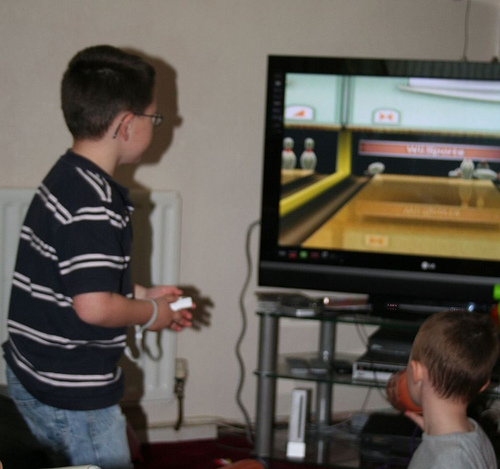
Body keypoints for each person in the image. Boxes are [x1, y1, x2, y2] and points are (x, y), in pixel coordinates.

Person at [2, 45, 193, 469]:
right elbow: (93, 306)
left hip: (35, 372)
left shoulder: (66, 177)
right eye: (154, 117)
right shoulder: (96, 204)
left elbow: (76, 278)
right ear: (126, 125)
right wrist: (150, 313)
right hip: (72, 393)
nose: (157, 125)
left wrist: (141, 292)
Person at [388, 310, 499, 469]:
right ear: (483, 385)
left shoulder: (450, 461)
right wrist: (433, 433)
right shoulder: (474, 432)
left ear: (417, 371)